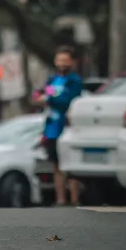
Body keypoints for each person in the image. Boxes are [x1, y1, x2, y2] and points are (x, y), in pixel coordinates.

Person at [32, 45, 83, 206]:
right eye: (59, 60)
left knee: (71, 166)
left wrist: (48, 99)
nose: (62, 63)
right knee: (56, 165)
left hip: (67, 127)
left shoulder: (74, 81)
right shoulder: (52, 80)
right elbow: (39, 94)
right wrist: (40, 98)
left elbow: (67, 100)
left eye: (65, 60)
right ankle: (60, 198)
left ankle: (75, 198)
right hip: (52, 128)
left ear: (72, 62)